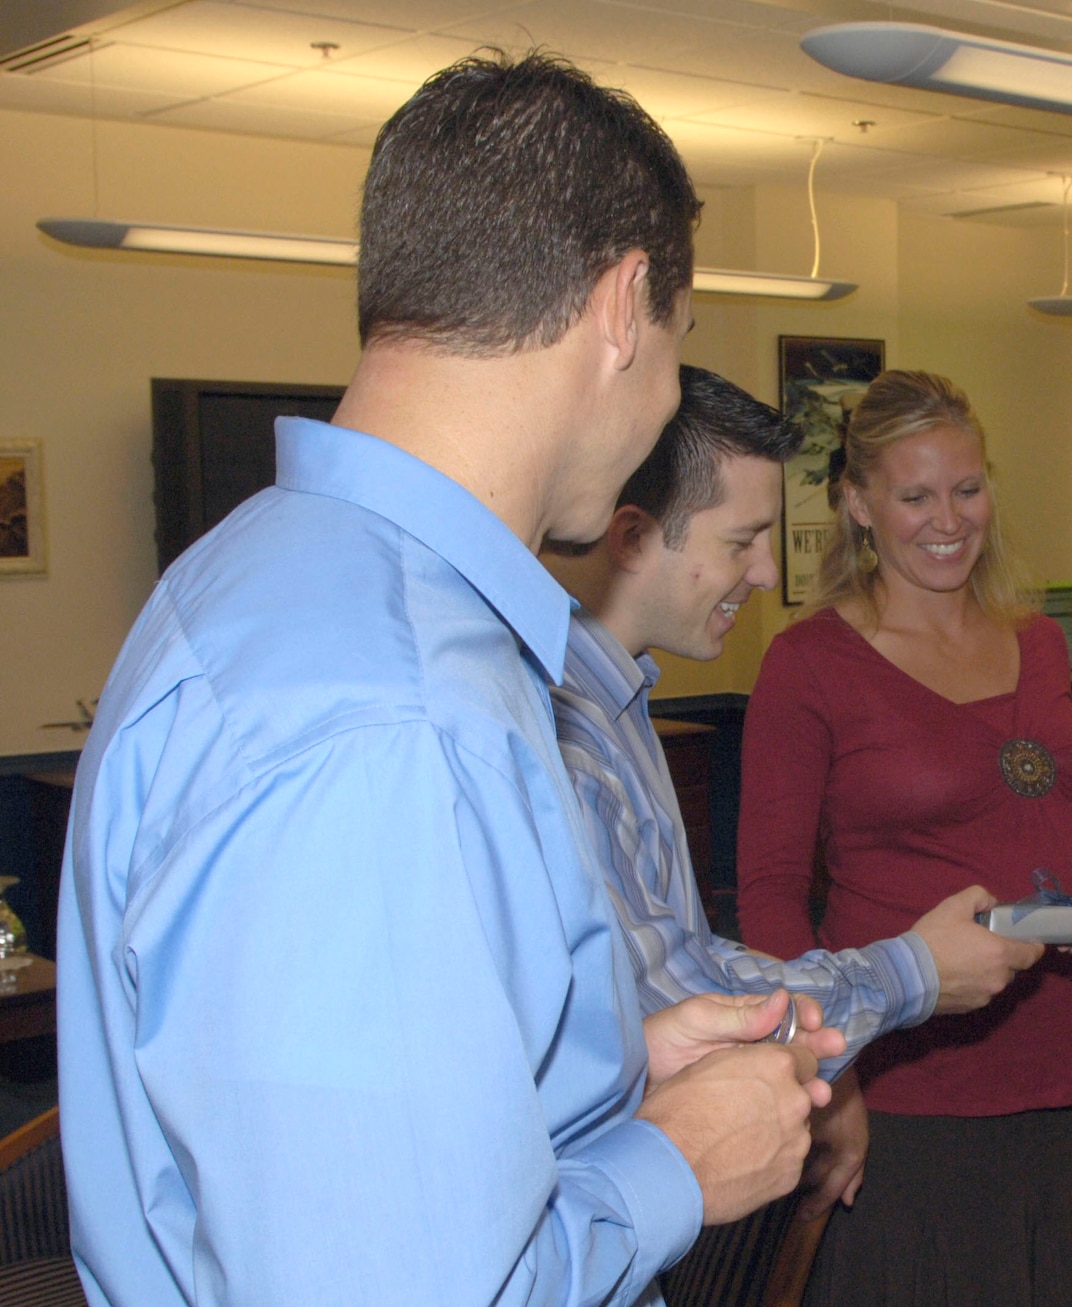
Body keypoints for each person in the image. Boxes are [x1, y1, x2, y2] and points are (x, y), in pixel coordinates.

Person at [58, 54, 838, 1306]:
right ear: (624, 306)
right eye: (676, 353)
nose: (660, 408)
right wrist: (674, 1160)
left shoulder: (263, 575)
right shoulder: (392, 718)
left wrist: (607, 1073)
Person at [539, 365, 1046, 1221]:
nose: (769, 573)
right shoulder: (572, 739)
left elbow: (687, 962)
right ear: (631, 538)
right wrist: (912, 970)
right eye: (743, 542)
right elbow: (680, 993)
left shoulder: (620, 702)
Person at [736, 370, 1072, 1306]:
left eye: (967, 488)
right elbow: (769, 893)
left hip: (1055, 1046)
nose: (949, 518)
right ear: (857, 503)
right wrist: (827, 1065)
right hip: (907, 1071)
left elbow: (1032, 800)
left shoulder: (1036, 637)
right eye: (915, 494)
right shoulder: (808, 664)